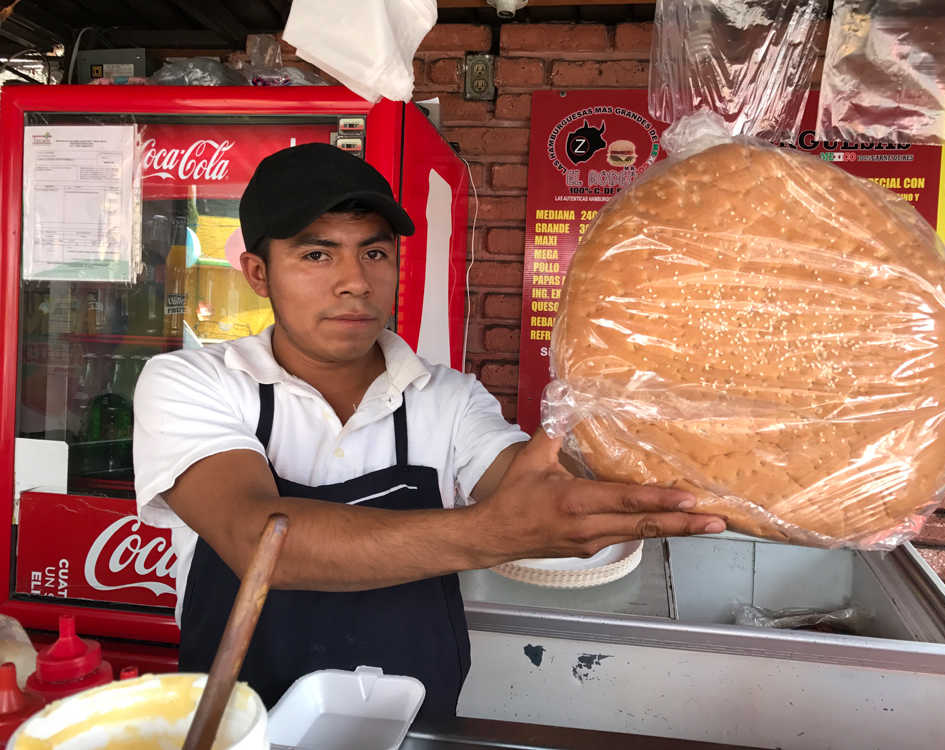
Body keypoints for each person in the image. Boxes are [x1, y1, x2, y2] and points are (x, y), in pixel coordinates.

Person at [132, 143, 726, 716]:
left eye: (375, 253)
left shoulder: (448, 399)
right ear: (258, 274)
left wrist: (655, 383)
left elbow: (530, 488)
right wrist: (493, 533)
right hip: (242, 727)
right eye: (317, 255)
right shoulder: (195, 381)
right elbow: (261, 542)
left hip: (415, 724)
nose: (355, 282)